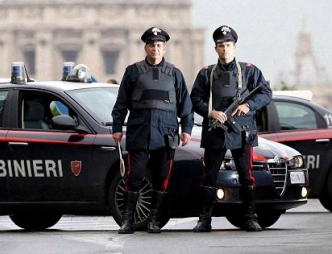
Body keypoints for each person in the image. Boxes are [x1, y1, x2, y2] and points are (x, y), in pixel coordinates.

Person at [111, 27, 193, 234]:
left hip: (166, 134)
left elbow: (185, 105)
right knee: (134, 176)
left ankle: (155, 220)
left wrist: (187, 129)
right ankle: (127, 221)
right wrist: (117, 127)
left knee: (161, 177)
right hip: (140, 131)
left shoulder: (175, 73)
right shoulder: (133, 71)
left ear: (164, 49)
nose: (155, 48)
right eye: (151, 45)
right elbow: (121, 102)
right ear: (145, 48)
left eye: (159, 45)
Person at [190, 25, 272, 232]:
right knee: (209, 175)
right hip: (215, 130)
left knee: (246, 175)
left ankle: (250, 218)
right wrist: (210, 112)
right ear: (215, 48)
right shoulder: (206, 73)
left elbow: (265, 93)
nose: (225, 48)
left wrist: (248, 105)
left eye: (228, 45)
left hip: (241, 130)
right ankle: (204, 220)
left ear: (234, 47)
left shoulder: (250, 71)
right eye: (221, 45)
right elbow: (195, 98)